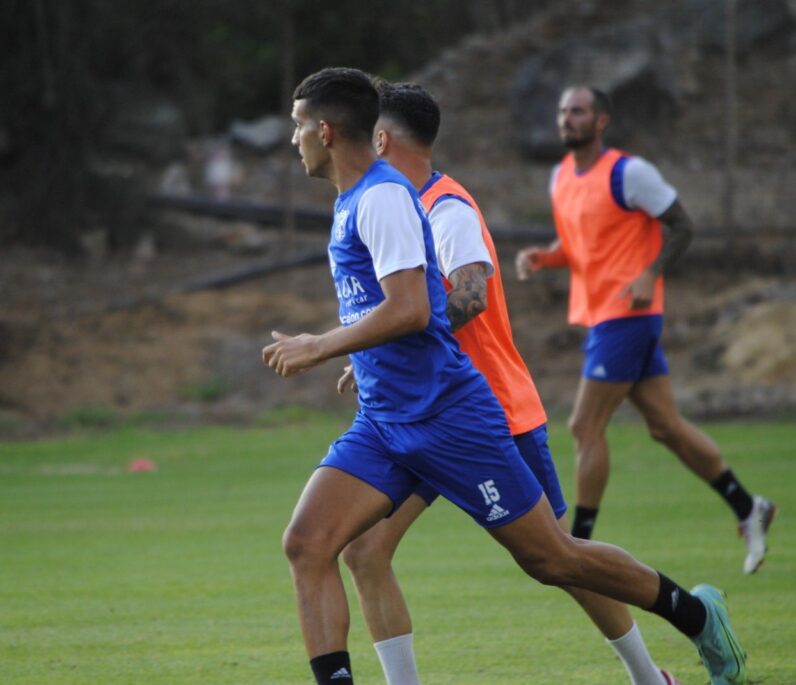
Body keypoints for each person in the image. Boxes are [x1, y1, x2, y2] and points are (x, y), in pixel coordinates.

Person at [264, 67, 746, 685]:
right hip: (388, 421)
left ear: (329, 131)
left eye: (300, 125)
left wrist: (323, 346)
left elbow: (424, 306)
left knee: (554, 558)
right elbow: (399, 309)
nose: (295, 138)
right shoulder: (356, 200)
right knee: (312, 543)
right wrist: (368, 360)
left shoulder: (395, 199)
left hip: (456, 416)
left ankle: (693, 616)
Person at [335, 80, 679, 685]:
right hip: (418, 415)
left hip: (489, 409)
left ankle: (654, 672)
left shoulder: (446, 207)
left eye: (368, 136)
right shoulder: (389, 205)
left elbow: (468, 294)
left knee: (560, 560)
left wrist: (381, 338)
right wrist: (374, 351)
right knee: (363, 550)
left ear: (383, 139)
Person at [515, 86, 776, 574]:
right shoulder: (561, 178)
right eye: (562, 111)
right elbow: (578, 246)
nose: (567, 119)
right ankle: (749, 507)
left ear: (601, 121)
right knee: (666, 427)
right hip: (602, 317)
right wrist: (545, 257)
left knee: (583, 425)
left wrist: (650, 274)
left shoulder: (629, 173)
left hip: (628, 316)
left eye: (578, 111)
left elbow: (684, 225)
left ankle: (581, 547)